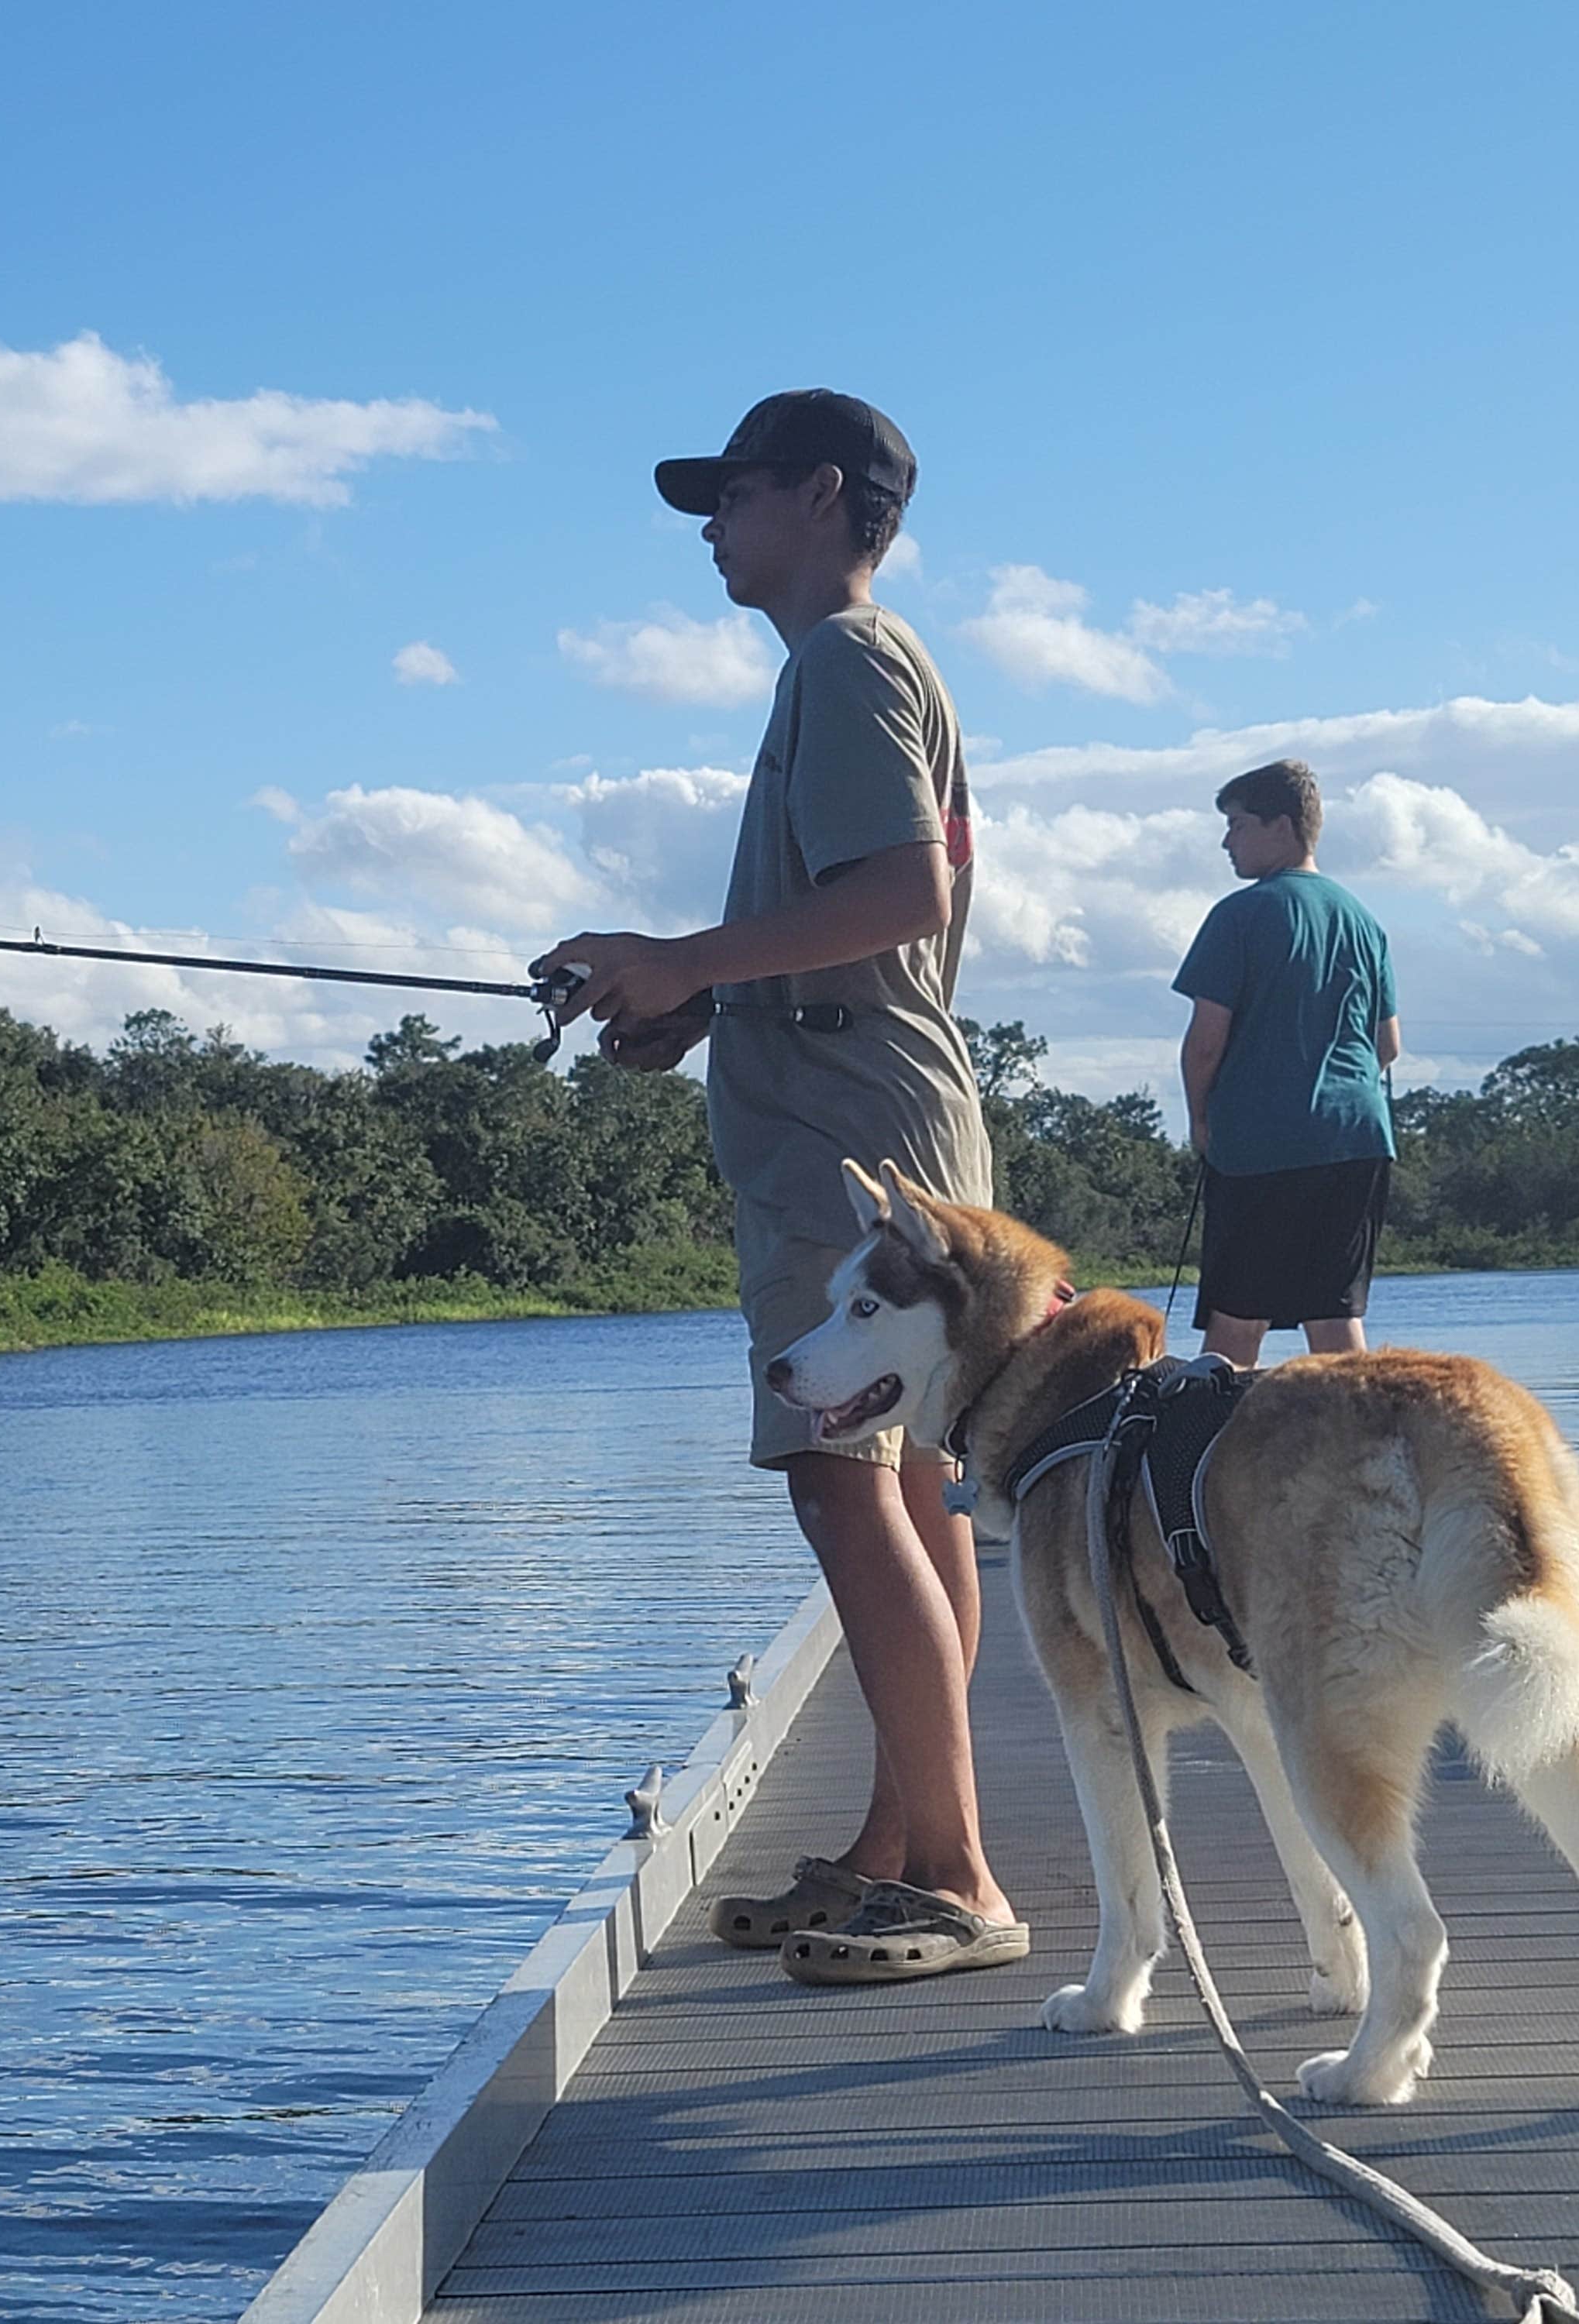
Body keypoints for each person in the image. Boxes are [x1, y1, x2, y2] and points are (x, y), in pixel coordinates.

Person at [532, 390, 1020, 1984]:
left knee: (837, 1476)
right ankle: (898, 1848)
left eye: (727, 494)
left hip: (846, 1127)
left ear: (819, 496)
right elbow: (849, 921)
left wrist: (683, 957)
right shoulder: (855, 670)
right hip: (862, 1107)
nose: (706, 525)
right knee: (897, 1482)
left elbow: (898, 894)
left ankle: (953, 1876)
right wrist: (689, 998)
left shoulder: (845, 659)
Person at [1173, 758, 1401, 1367]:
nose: (1227, 841)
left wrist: (1201, 1119)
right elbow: (1388, 1045)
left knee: (1235, 1326)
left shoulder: (1240, 915)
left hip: (1262, 1145)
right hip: (1357, 1141)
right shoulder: (1363, 921)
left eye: (1238, 824)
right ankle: (1357, 1450)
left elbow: (1204, 1044)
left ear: (1282, 826)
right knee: (1335, 1318)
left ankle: (1204, 1457)